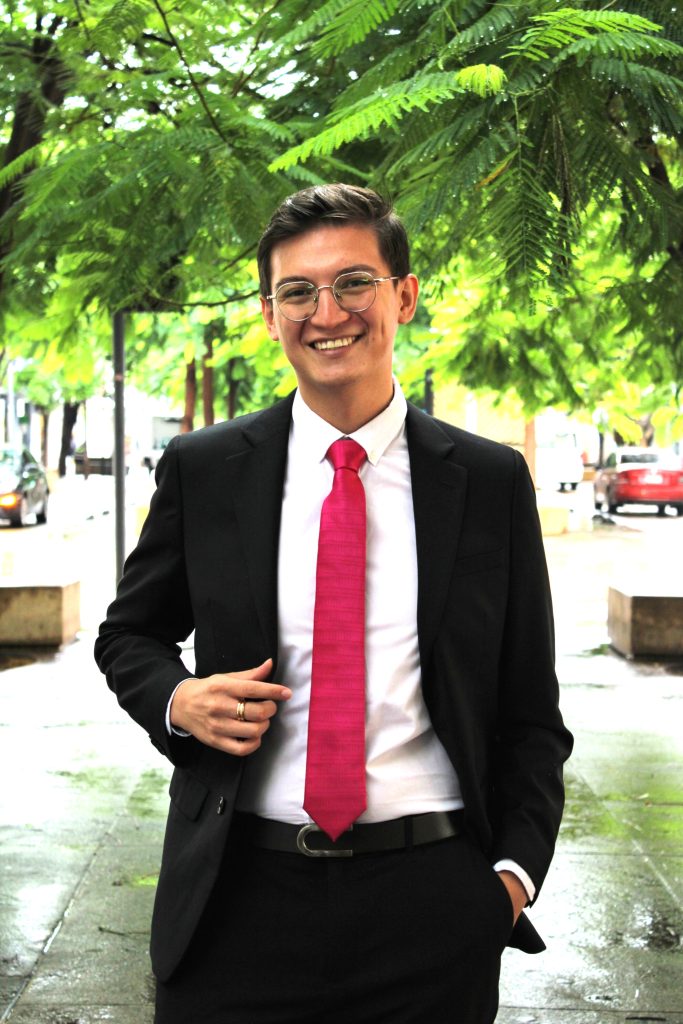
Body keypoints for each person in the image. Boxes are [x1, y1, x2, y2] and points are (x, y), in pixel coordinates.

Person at [95, 183, 573, 1024]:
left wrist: (508, 880)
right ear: (269, 314)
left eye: (353, 282)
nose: (327, 314)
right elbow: (128, 634)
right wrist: (178, 699)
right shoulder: (205, 470)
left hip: (432, 905)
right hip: (233, 901)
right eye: (297, 292)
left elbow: (530, 713)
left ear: (403, 296)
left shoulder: (488, 481)